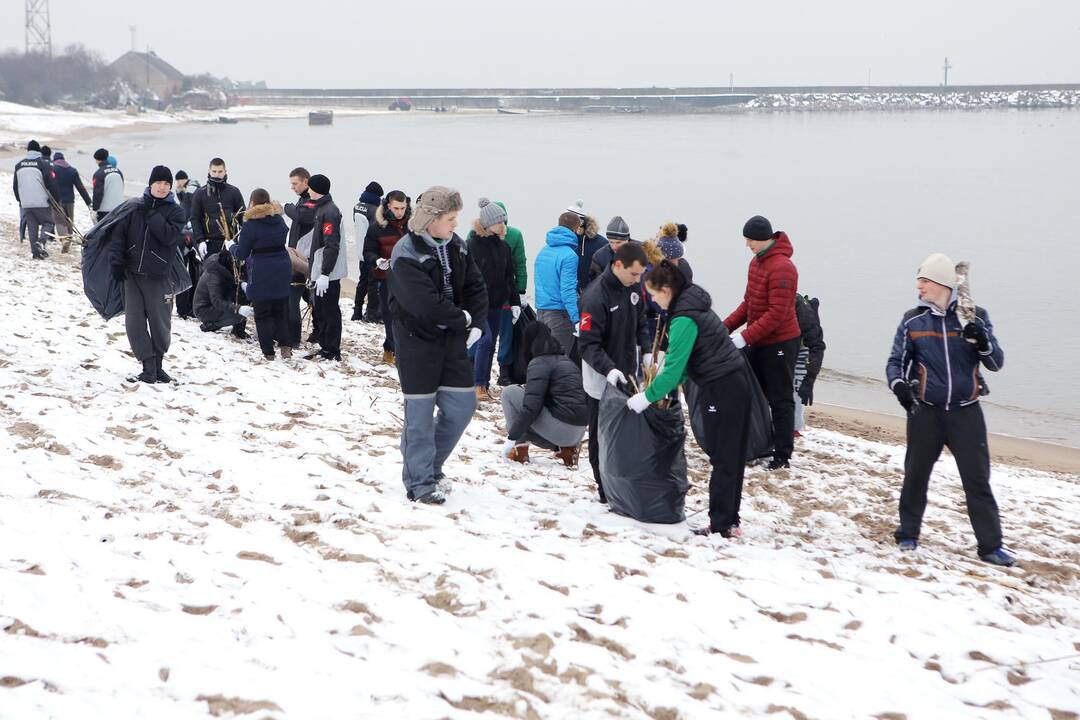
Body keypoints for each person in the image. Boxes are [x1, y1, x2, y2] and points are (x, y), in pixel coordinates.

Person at [886, 253, 1013, 567]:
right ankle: (908, 534)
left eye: (924, 281)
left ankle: (990, 546)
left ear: (942, 283)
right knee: (916, 476)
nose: (919, 288)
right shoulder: (913, 320)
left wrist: (982, 341)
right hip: (926, 411)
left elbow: (995, 362)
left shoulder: (973, 315)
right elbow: (895, 363)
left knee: (977, 481)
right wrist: (900, 387)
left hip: (966, 413)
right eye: (919, 282)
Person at [629, 260, 751, 537]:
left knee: (723, 457)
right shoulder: (693, 304)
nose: (655, 301)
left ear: (668, 290)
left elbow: (674, 370)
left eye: (656, 294)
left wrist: (646, 397)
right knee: (731, 456)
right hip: (735, 381)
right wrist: (662, 386)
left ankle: (722, 525)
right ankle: (729, 522)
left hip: (722, 387)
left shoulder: (683, 317)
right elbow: (683, 367)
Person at [388, 186, 487, 505]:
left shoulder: (457, 246)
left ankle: (428, 463)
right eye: (450, 218)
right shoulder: (406, 252)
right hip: (417, 343)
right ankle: (419, 482)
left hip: (452, 342)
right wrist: (464, 318)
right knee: (418, 416)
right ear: (431, 219)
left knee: (461, 407)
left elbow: (476, 286)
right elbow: (424, 304)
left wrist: (478, 324)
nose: (455, 224)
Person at [723, 215, 801, 470]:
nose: (748, 244)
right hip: (758, 339)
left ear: (763, 238)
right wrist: (724, 328)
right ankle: (757, 443)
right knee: (751, 394)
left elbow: (777, 314)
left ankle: (782, 455)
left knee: (780, 399)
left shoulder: (783, 268)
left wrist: (745, 337)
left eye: (750, 240)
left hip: (780, 343)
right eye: (746, 239)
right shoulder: (756, 263)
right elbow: (749, 304)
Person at [578, 242, 651, 502]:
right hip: (601, 378)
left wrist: (647, 350)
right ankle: (604, 490)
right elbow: (587, 345)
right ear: (617, 265)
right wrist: (609, 370)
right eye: (634, 274)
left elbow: (642, 319)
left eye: (640, 275)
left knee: (624, 432)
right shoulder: (595, 296)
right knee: (601, 435)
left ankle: (623, 480)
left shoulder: (632, 288)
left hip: (628, 373)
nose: (637, 280)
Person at [110, 166, 187, 383]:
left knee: (160, 322)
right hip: (131, 274)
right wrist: (117, 263)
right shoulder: (134, 207)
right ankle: (148, 366)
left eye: (166, 184)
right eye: (158, 183)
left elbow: (168, 236)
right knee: (134, 322)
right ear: (150, 183)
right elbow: (119, 237)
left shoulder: (176, 212)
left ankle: (159, 365)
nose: (162, 187)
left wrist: (152, 214)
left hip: (159, 275)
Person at [502, 321, 589, 467]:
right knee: (521, 419)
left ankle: (519, 450)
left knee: (509, 393)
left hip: (561, 428)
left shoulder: (539, 362)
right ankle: (568, 449)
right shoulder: (566, 361)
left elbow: (531, 408)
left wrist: (512, 438)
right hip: (578, 431)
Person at [466, 198, 521, 401]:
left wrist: (515, 302)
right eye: (499, 221)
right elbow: (463, 276)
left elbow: (510, 278)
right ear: (487, 224)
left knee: (491, 345)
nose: (502, 225)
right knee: (485, 340)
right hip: (476, 303)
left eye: (503, 221)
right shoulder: (471, 245)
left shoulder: (503, 247)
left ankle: (484, 385)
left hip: (497, 304)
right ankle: (477, 384)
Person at [230, 189, 293, 360]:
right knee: (280, 311)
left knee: (263, 313)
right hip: (282, 266)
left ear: (252, 203)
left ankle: (268, 353)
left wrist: (231, 246)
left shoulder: (250, 225)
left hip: (262, 269)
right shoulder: (279, 220)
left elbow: (242, 253)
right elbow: (283, 234)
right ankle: (286, 347)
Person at [363, 190, 411, 364]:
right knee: (390, 316)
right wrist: (377, 260)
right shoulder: (377, 227)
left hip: (409, 279)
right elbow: (367, 251)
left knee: (407, 316)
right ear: (388, 206)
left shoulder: (412, 227)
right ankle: (393, 349)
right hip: (386, 278)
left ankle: (394, 348)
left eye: (403, 208)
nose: (400, 212)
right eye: (396, 208)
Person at [305, 173, 345, 361]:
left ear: (315, 189)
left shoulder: (330, 212)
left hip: (326, 273)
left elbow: (331, 244)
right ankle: (325, 346)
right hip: (319, 269)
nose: (308, 190)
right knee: (320, 309)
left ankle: (332, 350)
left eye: (310, 187)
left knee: (329, 310)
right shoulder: (321, 208)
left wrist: (325, 274)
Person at [534, 212, 582, 354]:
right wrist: (576, 319)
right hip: (559, 315)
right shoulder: (569, 256)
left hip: (541, 313)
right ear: (576, 229)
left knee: (543, 358)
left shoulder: (543, 251)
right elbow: (567, 291)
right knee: (559, 361)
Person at [493, 200, 527, 386]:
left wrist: (521, 291)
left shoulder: (514, 235)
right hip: (483, 294)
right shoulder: (475, 235)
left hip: (506, 293)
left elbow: (520, 264)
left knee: (506, 334)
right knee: (483, 335)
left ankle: (504, 370)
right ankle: (476, 368)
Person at [283, 167, 317, 347]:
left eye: (295, 183)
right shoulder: (304, 200)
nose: (292, 187)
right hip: (298, 254)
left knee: (293, 298)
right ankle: (316, 332)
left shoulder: (311, 201)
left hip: (304, 258)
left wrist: (285, 207)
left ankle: (294, 338)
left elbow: (301, 216)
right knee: (307, 297)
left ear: (306, 181)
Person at [12, 140, 59, 260]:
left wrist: (20, 200)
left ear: (28, 151)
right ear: (38, 151)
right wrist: (55, 200)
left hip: (26, 202)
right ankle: (42, 242)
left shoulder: (19, 165)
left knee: (32, 227)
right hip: (41, 201)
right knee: (48, 223)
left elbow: (15, 186)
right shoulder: (43, 164)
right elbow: (51, 184)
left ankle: (35, 253)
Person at [189, 157, 245, 257]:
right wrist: (200, 240)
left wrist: (243, 237)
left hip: (230, 242)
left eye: (220, 171)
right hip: (209, 243)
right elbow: (195, 218)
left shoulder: (234, 192)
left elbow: (242, 215)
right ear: (209, 171)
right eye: (214, 171)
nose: (217, 174)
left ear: (225, 172)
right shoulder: (200, 193)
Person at [194, 249, 249, 340]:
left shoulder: (227, 268)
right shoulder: (214, 273)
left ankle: (238, 330)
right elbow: (216, 301)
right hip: (204, 309)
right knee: (240, 315)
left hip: (218, 303)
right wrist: (238, 308)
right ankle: (212, 325)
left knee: (243, 298)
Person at [793, 294, 826, 436]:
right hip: (789, 344)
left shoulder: (806, 317)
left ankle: (795, 427)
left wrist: (810, 380)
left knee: (798, 388)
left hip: (805, 346)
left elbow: (817, 348)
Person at [351, 181, 383, 322]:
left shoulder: (357, 207)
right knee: (373, 283)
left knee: (362, 282)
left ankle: (357, 311)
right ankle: (371, 313)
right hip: (370, 252)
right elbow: (376, 231)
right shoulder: (374, 210)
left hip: (360, 252)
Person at [50, 151, 92, 250]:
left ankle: (64, 239)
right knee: (69, 221)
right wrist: (88, 202)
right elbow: (80, 187)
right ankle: (68, 241)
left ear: (55, 160)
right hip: (70, 200)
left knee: (59, 220)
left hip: (57, 200)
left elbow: (50, 185)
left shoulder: (53, 169)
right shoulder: (72, 170)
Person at [566, 200, 607, 292]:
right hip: (567, 295)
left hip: (593, 295)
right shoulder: (562, 244)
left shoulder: (601, 244)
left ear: (582, 223)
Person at [588, 215, 632, 284]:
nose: (614, 247)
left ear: (627, 239)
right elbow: (596, 285)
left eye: (618, 242)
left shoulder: (642, 251)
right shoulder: (599, 257)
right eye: (611, 242)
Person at [91, 148, 124, 222]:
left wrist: (95, 209)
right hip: (119, 208)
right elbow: (121, 188)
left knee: (103, 232)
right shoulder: (118, 171)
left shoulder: (99, 173)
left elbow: (98, 193)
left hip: (104, 211)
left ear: (97, 160)